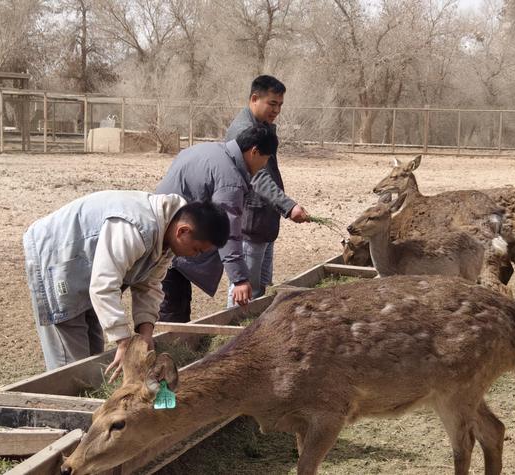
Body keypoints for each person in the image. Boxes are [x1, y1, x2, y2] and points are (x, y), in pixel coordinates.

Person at [23, 191, 229, 381]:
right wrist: (124, 343)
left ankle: (92, 398)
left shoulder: (168, 235)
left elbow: (149, 283)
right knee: (71, 362)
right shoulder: (134, 228)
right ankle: (69, 409)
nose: (196, 256)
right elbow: (104, 286)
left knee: (94, 351)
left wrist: (144, 335)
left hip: (88, 269)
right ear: (183, 231)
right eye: (197, 250)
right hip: (57, 257)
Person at [155, 122, 277, 323]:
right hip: (173, 242)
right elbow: (230, 230)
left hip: (166, 232)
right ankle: (167, 349)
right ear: (254, 152)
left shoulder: (209, 149)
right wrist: (239, 279)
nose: (263, 166)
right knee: (172, 310)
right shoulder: (230, 178)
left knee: (174, 301)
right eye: (265, 160)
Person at [225, 75, 310, 306]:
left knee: (261, 287)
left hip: (263, 220)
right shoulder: (244, 131)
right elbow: (259, 178)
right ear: (255, 98)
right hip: (250, 224)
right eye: (272, 104)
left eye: (280, 105)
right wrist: (289, 206)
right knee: (244, 291)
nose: (277, 110)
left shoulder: (262, 128)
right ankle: (234, 334)